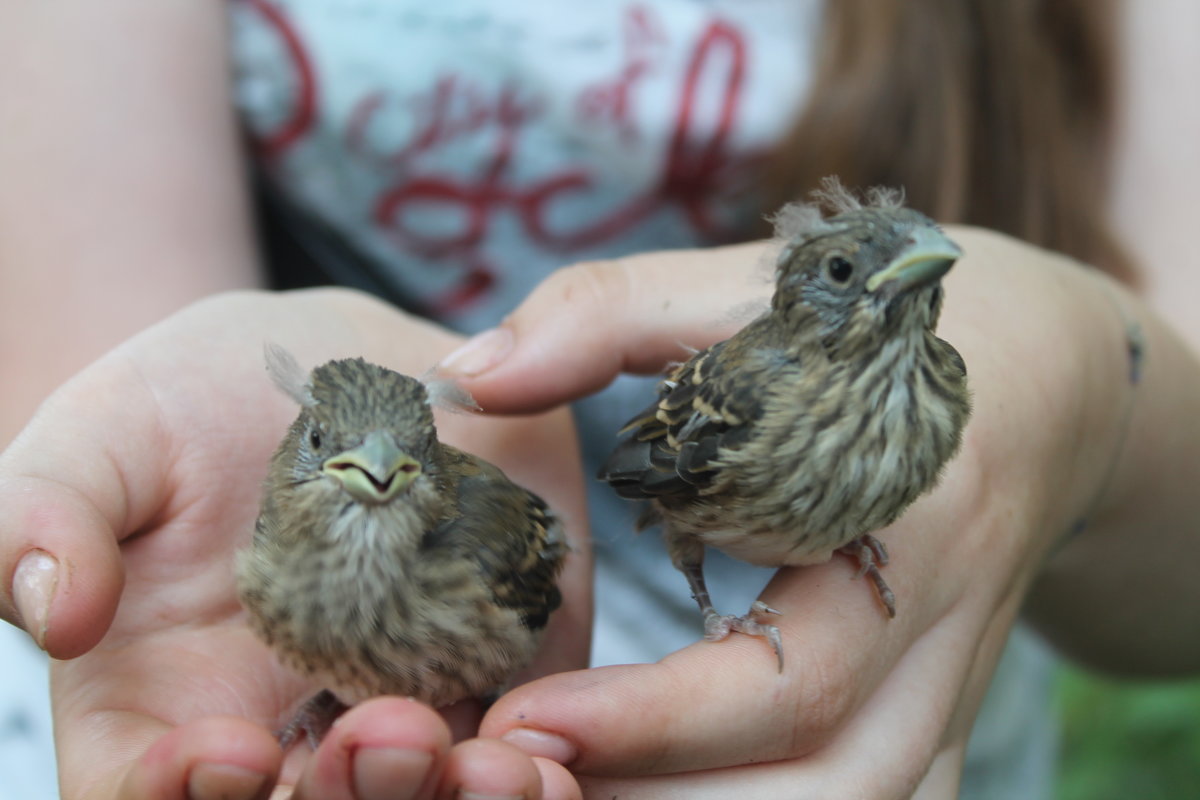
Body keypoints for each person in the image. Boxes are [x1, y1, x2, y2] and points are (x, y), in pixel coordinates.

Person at [1, 2, 1199, 798]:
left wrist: (1080, 378)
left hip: (901, 721)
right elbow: (97, 339)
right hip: (289, 694)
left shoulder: (935, 385)